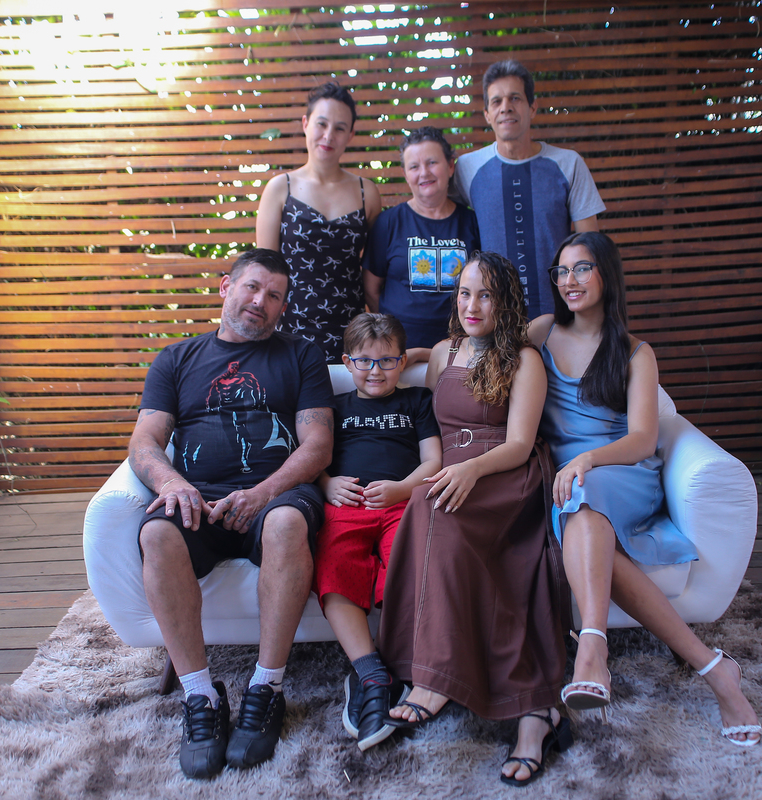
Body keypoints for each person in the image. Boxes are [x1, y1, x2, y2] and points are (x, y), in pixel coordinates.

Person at [528, 231, 762, 746]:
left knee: (583, 493)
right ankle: (714, 668)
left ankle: (591, 649)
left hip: (622, 472)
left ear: (607, 274)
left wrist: (589, 458)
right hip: (567, 481)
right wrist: (418, 354)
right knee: (583, 511)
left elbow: (642, 439)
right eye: (562, 271)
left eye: (582, 268)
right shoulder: (541, 332)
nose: (569, 281)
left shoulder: (635, 352)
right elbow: (486, 350)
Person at [128, 249, 336, 779]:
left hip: (274, 497)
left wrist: (262, 493)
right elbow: (145, 441)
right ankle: (200, 696)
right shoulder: (176, 359)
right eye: (252, 287)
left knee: (287, 522)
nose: (260, 301)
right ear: (226, 286)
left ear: (283, 307)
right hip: (198, 498)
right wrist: (172, 483)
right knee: (156, 535)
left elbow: (317, 445)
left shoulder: (302, 355)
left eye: (274, 295)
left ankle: (267, 687)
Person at [377, 251, 572, 787]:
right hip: (452, 470)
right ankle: (437, 670)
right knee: (427, 502)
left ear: (505, 302)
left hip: (504, 474)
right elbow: (430, 427)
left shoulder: (523, 360)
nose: (472, 305)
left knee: (435, 506)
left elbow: (520, 444)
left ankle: (437, 679)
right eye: (465, 293)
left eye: (486, 295)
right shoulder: (445, 352)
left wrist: (470, 471)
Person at [312, 312, 443, 752]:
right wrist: (326, 484)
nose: (375, 371)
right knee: (333, 564)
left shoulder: (418, 401)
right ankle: (369, 671)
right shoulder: (334, 407)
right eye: (364, 361)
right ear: (347, 363)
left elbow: (433, 460)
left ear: (402, 361)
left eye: (387, 361)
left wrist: (403, 488)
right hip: (346, 506)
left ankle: (392, 666)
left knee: (409, 567)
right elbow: (311, 456)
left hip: (401, 504)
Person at [454, 59, 606, 320]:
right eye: (497, 101)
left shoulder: (568, 164)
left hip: (560, 315)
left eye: (515, 98)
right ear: (487, 114)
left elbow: (590, 249)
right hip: (494, 320)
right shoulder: (467, 169)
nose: (506, 107)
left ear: (532, 107)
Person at [255, 82, 382, 362]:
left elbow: (374, 271)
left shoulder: (367, 193)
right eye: (321, 124)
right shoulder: (280, 189)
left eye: (339, 128)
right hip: (289, 331)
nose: (328, 136)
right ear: (305, 124)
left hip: (352, 333)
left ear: (351, 135)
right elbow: (265, 271)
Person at [363, 126, 480, 355]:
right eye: (414, 166)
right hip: (400, 353)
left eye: (432, 162)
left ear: (450, 166)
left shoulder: (472, 222)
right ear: (406, 174)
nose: (424, 173)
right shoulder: (388, 223)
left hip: (461, 351)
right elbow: (371, 289)